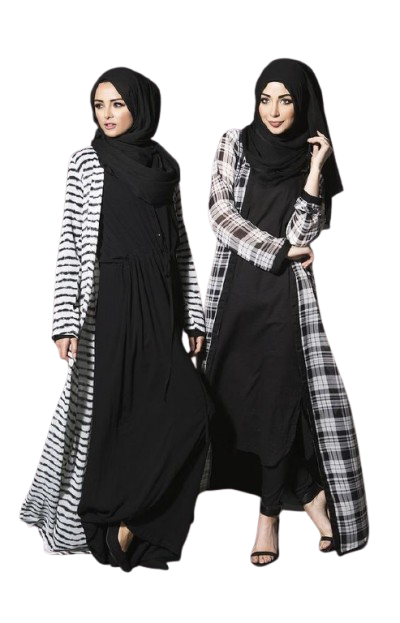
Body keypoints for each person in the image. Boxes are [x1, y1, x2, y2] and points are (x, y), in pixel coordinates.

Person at [19, 66, 213, 573]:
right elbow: (69, 242)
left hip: (160, 301)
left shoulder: (167, 165)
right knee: (113, 419)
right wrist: (65, 322)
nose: (106, 115)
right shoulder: (84, 162)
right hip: (109, 302)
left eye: (118, 104)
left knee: (190, 413)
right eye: (99, 105)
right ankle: (103, 522)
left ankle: (132, 523)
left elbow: (182, 246)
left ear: (140, 107)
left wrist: (193, 318)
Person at [200, 57, 369, 565]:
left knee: (277, 404)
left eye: (287, 100)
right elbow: (219, 214)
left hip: (285, 299)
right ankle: (310, 494)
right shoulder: (233, 142)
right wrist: (277, 250)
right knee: (232, 406)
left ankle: (268, 516)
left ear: (303, 105)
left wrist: (315, 171)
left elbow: (303, 234)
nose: (273, 111)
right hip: (234, 293)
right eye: (265, 99)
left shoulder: (309, 156)